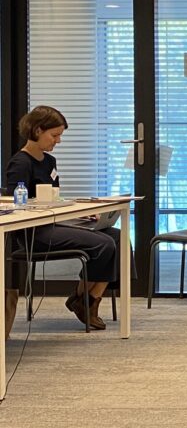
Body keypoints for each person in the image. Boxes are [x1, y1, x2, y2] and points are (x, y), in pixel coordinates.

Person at [4, 106, 124, 330]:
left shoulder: (50, 162)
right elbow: (15, 203)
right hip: (35, 234)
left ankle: (87, 299)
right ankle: (84, 301)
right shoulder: (20, 163)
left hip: (55, 223)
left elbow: (54, 197)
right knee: (104, 243)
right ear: (38, 131)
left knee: (119, 237)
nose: (58, 141)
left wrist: (80, 212)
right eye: (54, 135)